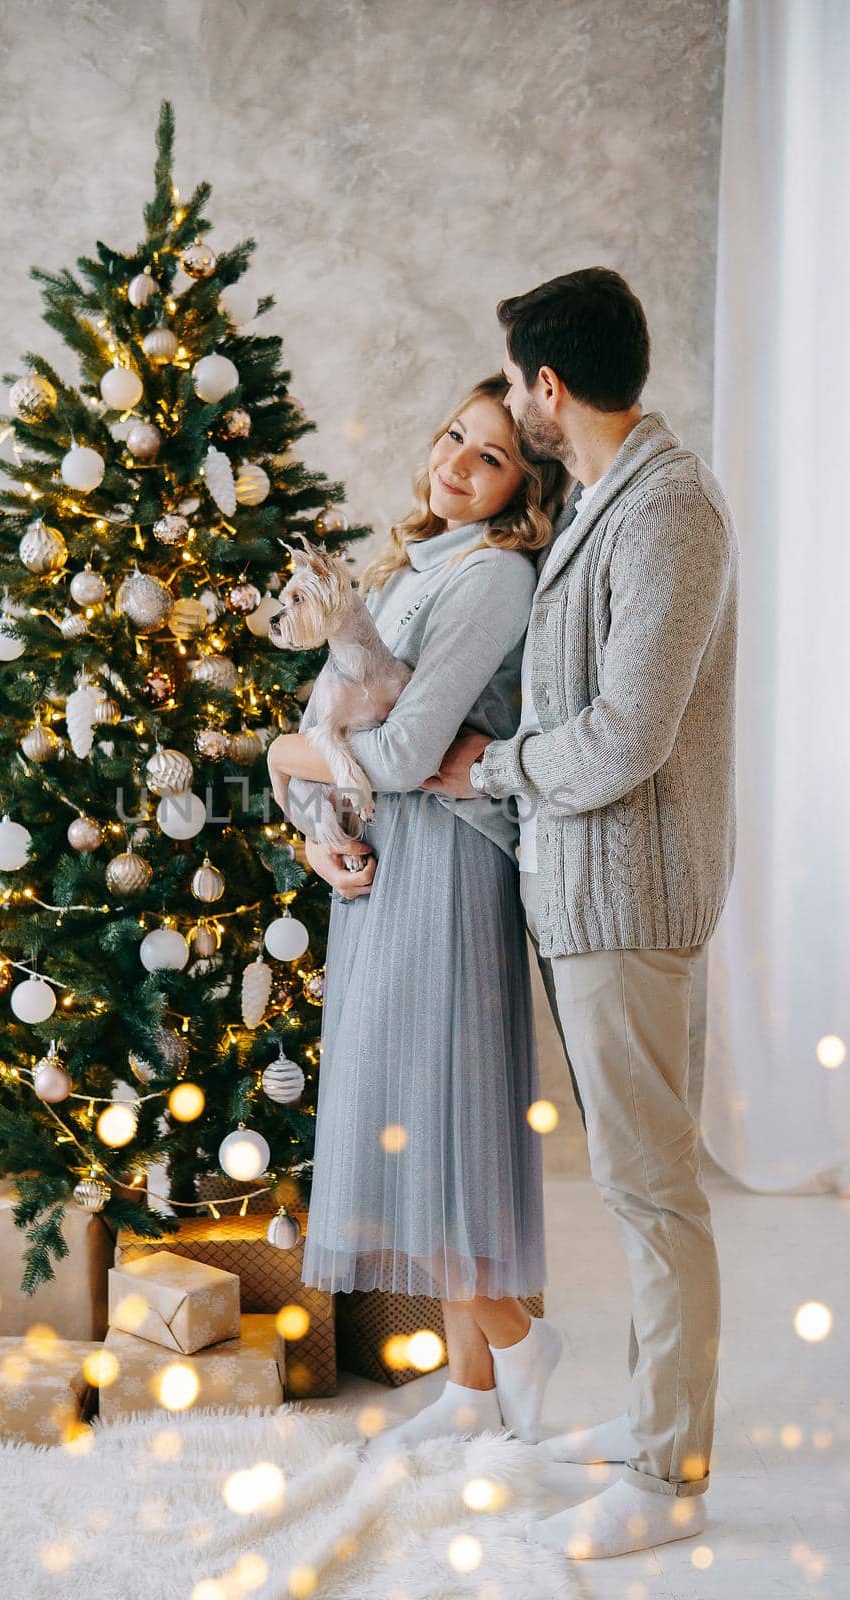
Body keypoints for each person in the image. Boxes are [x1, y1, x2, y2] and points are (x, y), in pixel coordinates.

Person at [428, 267, 739, 1559]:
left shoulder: (666, 512)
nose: (504, 405)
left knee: (654, 1194)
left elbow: (621, 736)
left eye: (511, 384)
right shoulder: (604, 499)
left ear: (547, 388)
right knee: (628, 1183)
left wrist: (489, 770)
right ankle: (647, 1419)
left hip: (629, 896)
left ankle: (669, 1480)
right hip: (578, 893)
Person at [267, 375, 567, 1452]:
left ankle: (521, 1341)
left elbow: (394, 753)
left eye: (486, 458)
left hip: (445, 871)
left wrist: (273, 756)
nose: (453, 463)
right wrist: (309, 823)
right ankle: (472, 1391)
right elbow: (334, 727)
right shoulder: (410, 569)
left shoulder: (491, 581)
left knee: (429, 1130)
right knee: (423, 1120)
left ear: (521, 490)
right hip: (380, 869)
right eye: (452, 437)